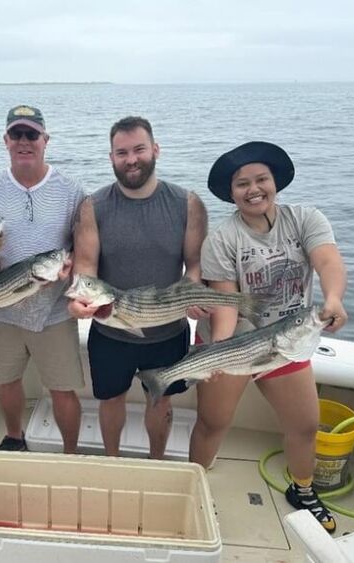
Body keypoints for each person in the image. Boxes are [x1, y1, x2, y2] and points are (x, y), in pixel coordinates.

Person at [190, 141, 348, 533]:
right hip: (234, 342)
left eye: (261, 179)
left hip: (289, 342)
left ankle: (303, 488)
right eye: (242, 183)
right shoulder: (222, 239)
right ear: (231, 193)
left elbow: (327, 260)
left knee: (305, 425)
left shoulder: (305, 219)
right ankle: (193, 485)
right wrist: (219, 355)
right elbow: (225, 302)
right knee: (213, 423)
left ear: (275, 182)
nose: (253, 188)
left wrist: (332, 299)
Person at [68, 116, 209, 459]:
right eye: (122, 152)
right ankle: (113, 460)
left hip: (168, 330)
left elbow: (195, 266)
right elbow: (85, 266)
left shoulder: (188, 204)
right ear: (111, 157)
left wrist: (192, 294)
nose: (131, 159)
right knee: (110, 399)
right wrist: (80, 302)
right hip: (110, 330)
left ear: (155, 149)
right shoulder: (92, 206)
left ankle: (156, 460)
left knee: (160, 401)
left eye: (139, 149)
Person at [0, 105, 86, 453]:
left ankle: (70, 451)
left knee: (63, 389)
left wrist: (73, 275)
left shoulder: (71, 191)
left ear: (45, 140)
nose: (24, 142)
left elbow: (83, 247)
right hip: (5, 312)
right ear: (6, 140)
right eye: (17, 135)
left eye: (32, 135)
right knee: (6, 381)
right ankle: (14, 435)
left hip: (54, 311)